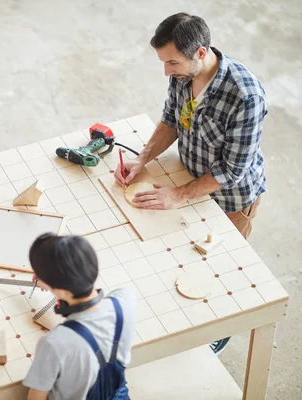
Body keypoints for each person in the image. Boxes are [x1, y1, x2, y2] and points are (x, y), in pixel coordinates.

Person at [115, 12, 266, 240]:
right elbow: (170, 121)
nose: (167, 71)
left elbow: (232, 170)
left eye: (173, 62)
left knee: (219, 261)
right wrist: (141, 159)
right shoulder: (182, 75)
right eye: (164, 62)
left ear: (201, 53)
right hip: (189, 179)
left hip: (229, 201)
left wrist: (178, 195)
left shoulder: (245, 97)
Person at [22, 233, 136, 400]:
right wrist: (54, 283)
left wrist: (53, 286)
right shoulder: (125, 300)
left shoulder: (55, 342)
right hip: (117, 394)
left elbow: (36, 398)